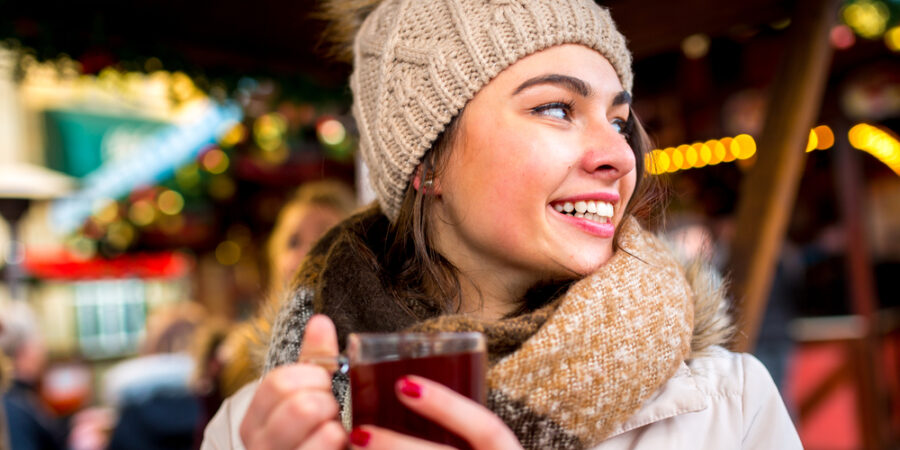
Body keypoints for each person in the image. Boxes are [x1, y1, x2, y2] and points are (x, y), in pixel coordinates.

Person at [203, 0, 802, 448]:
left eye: (619, 121)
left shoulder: (728, 406)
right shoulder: (254, 429)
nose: (621, 157)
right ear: (427, 160)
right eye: (555, 108)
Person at [0, 302, 68, 450]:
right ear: (26, 350)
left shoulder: (22, 396)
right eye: (39, 344)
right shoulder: (12, 406)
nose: (45, 351)